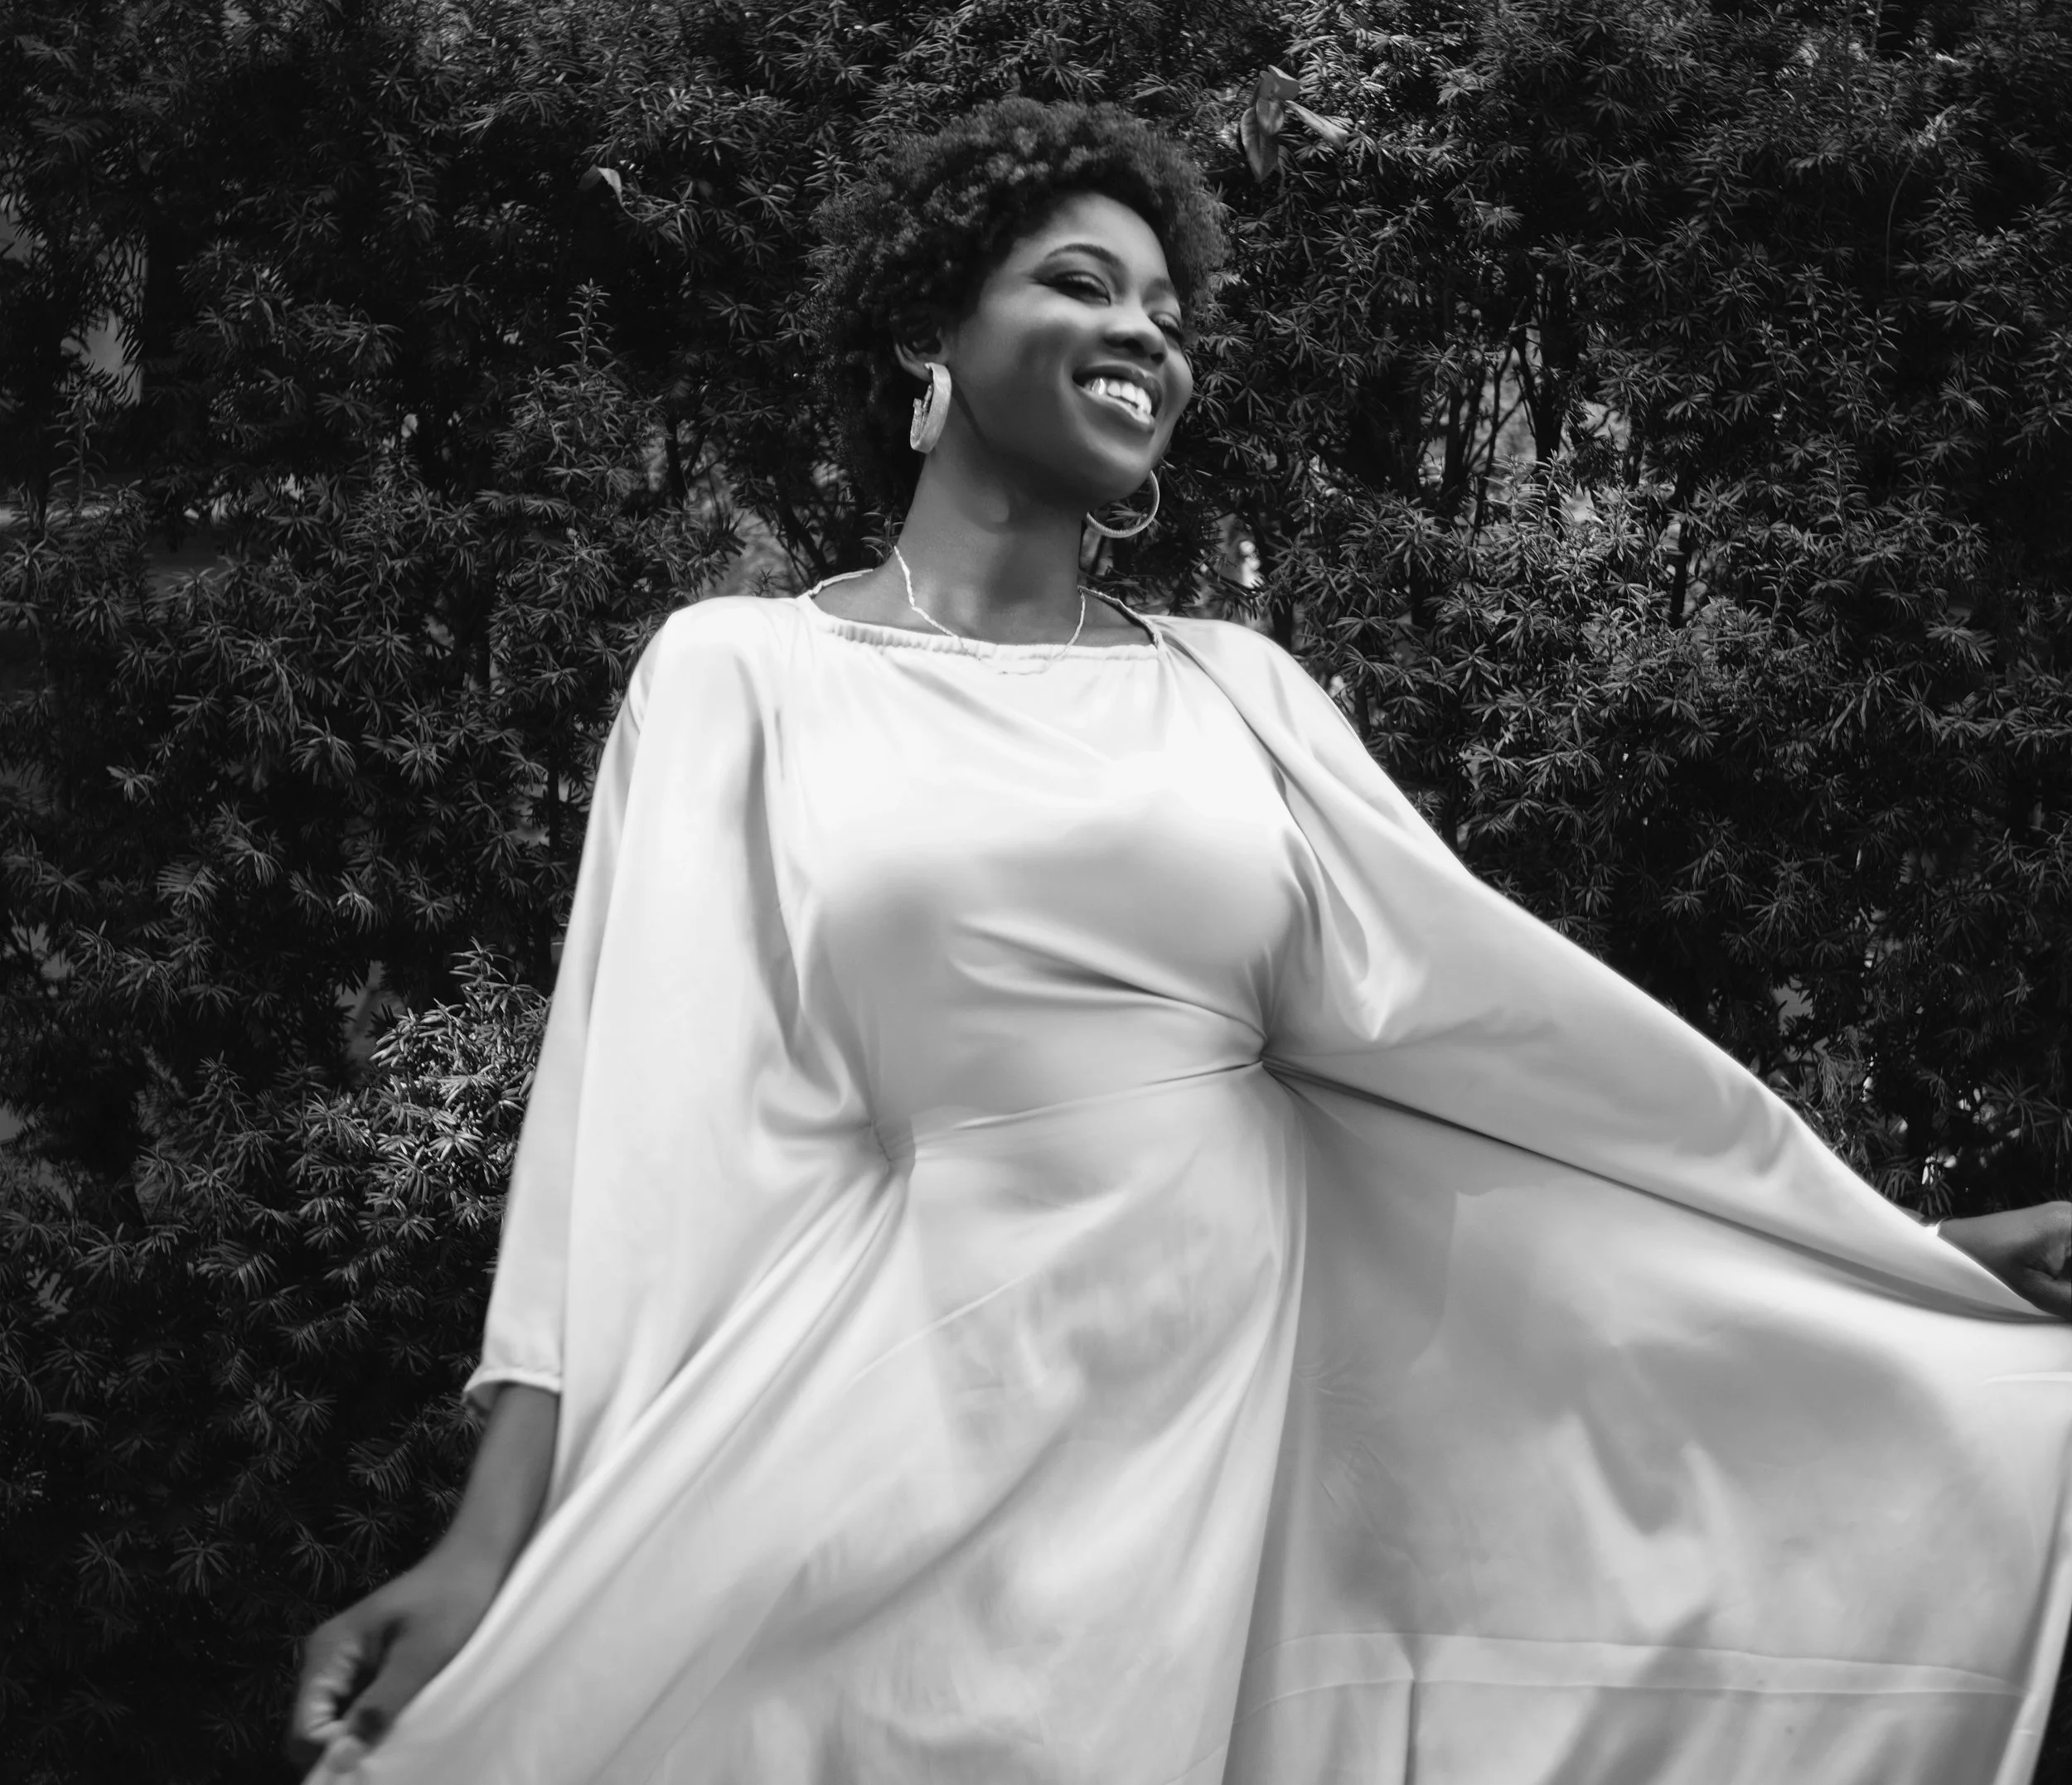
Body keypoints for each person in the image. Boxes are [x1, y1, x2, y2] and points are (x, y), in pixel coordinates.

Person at [293, 96, 2072, 1784]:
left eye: (1164, 306)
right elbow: (626, 1131)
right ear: (930, 322)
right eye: (1076, 282)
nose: (1141, 331)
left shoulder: (1240, 696)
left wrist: (1880, 1253)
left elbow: (1516, 1061)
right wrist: (488, 1540)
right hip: (887, 1406)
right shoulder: (739, 672)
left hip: (1206, 1434)